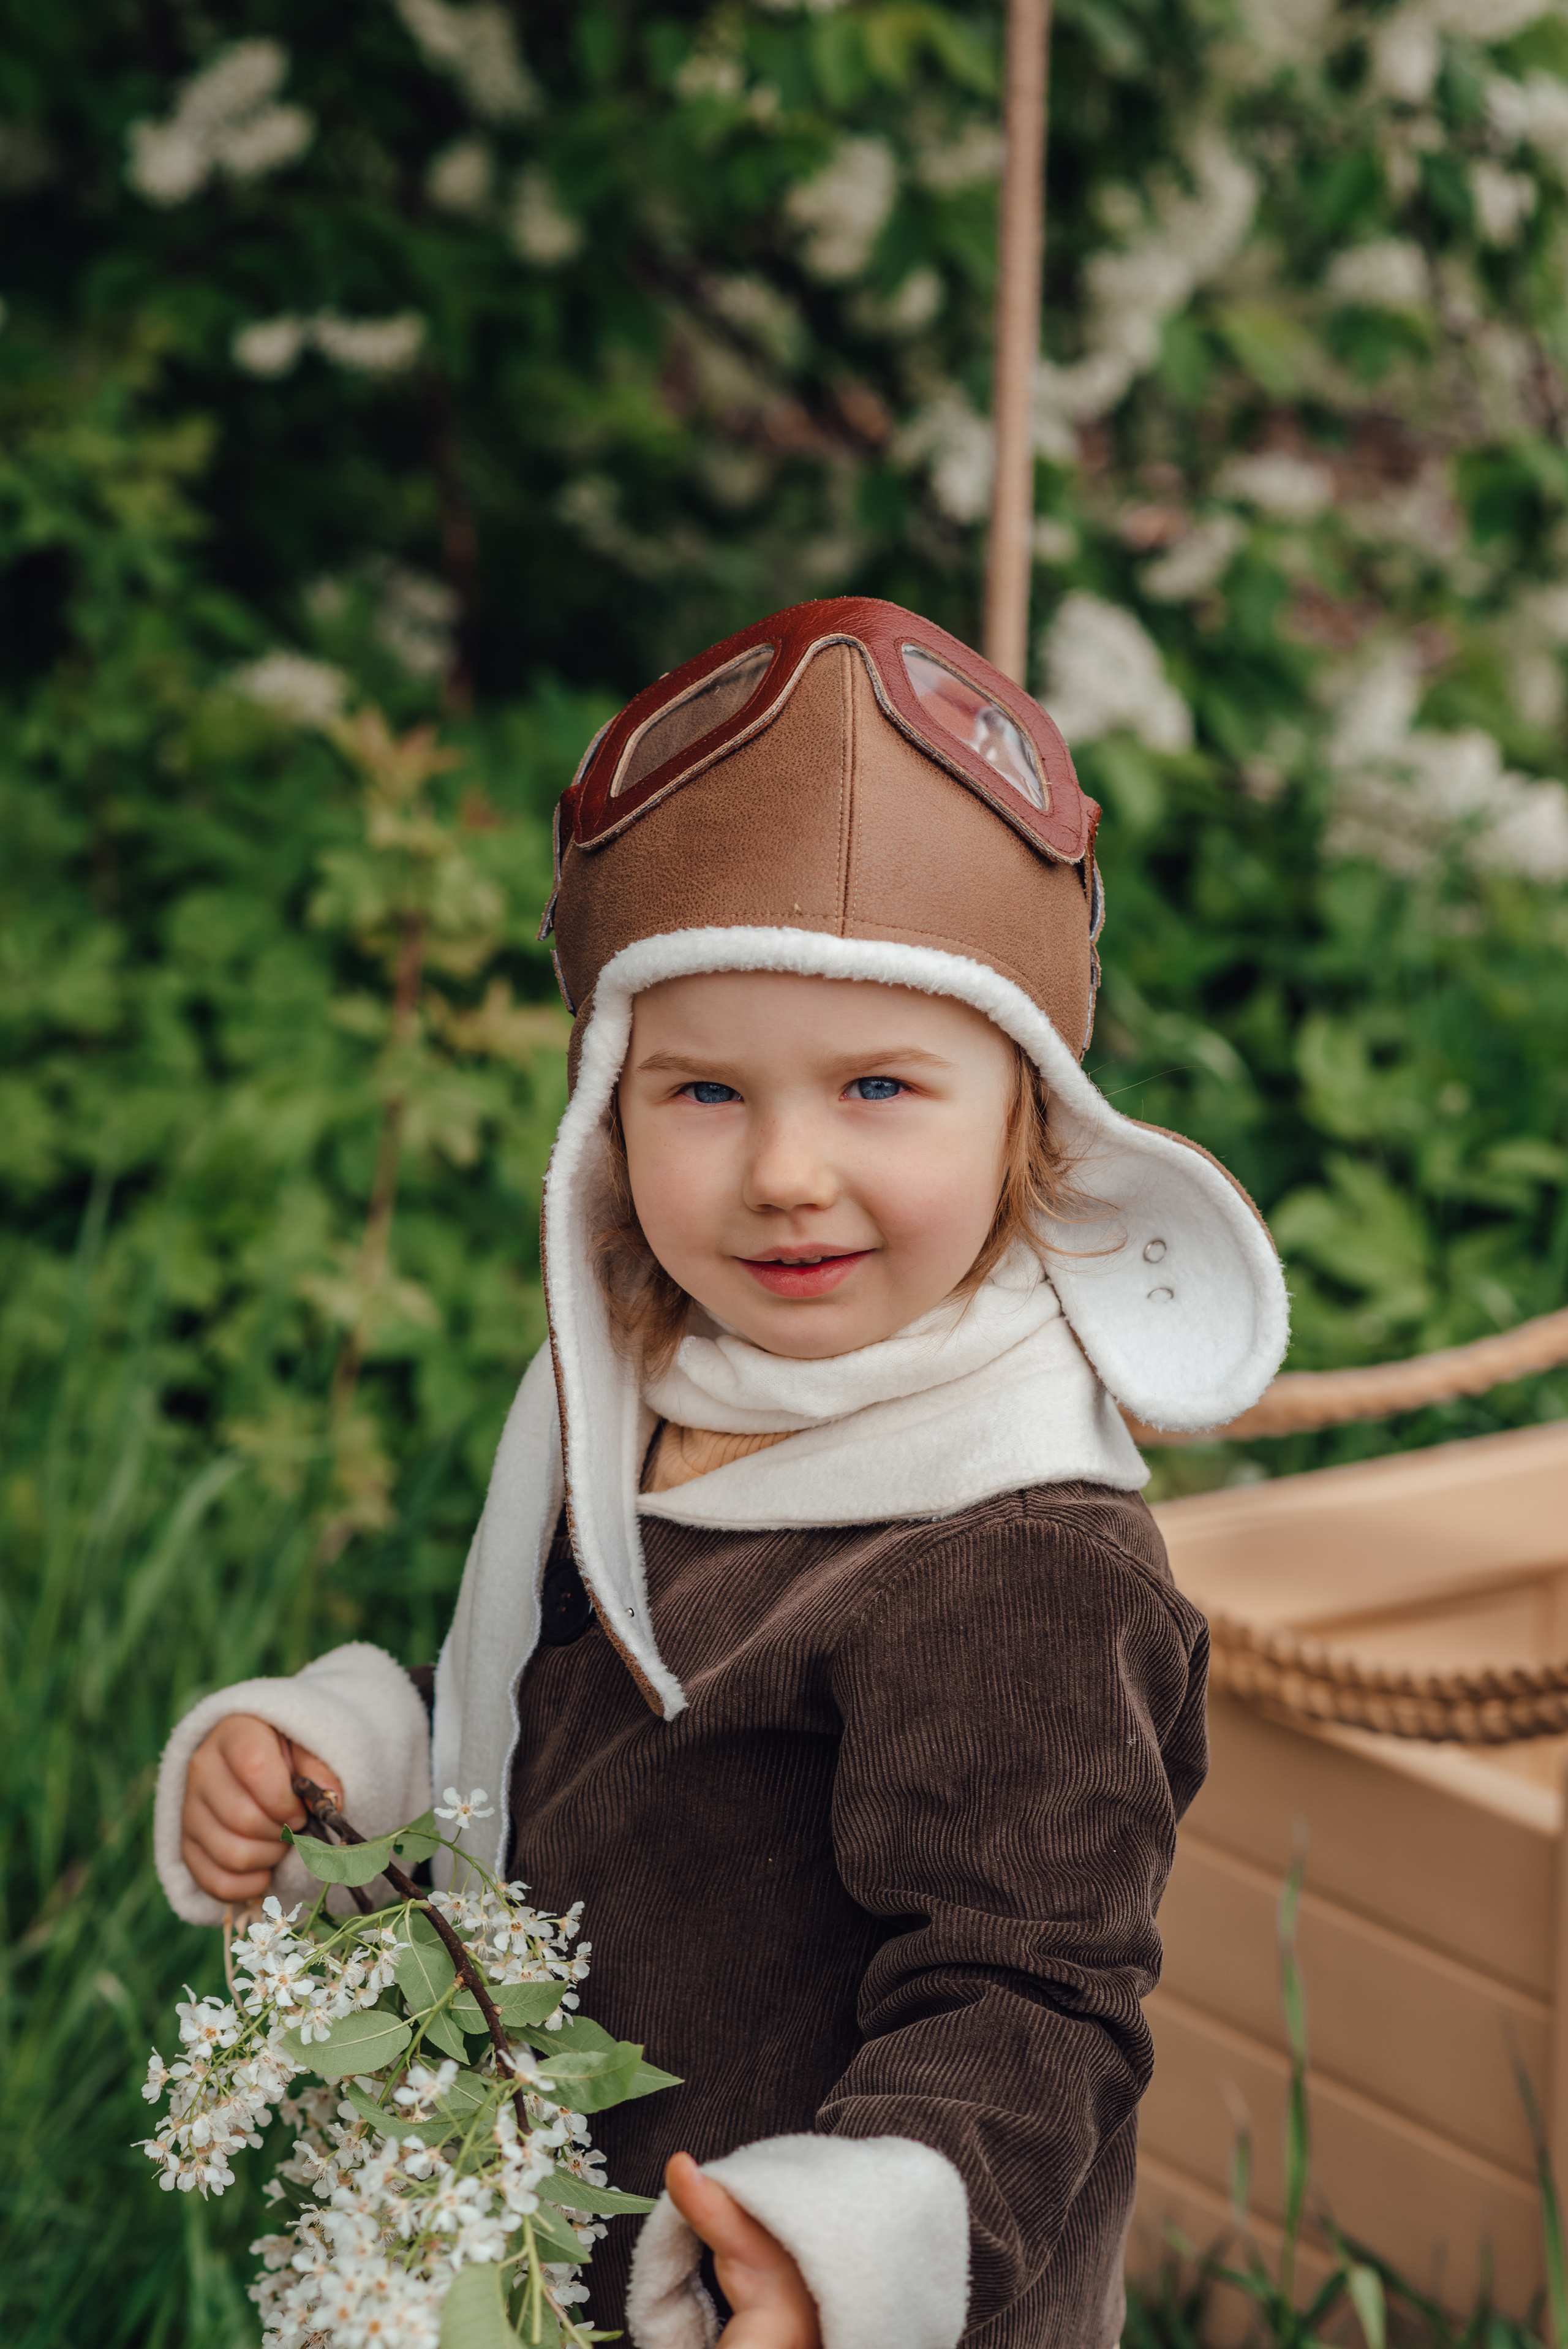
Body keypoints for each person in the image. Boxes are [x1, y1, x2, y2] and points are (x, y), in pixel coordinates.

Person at [154, 597, 1289, 2349]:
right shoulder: (644, 1386)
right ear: (607, 1112)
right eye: (703, 1093)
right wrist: (344, 1766)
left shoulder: (1018, 1557)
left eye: (879, 1084)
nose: (785, 1172)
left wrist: (845, 2251)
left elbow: (1036, 1995)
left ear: (1030, 1113)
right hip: (565, 2240)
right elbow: (555, 1738)